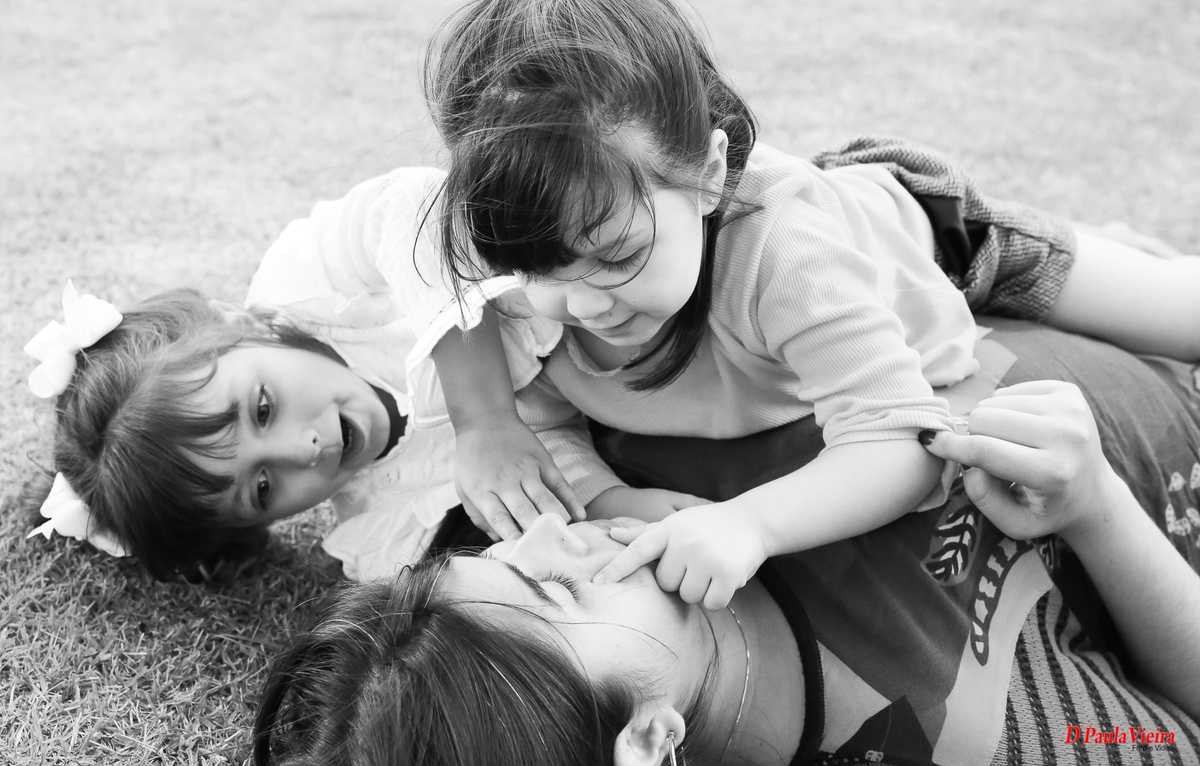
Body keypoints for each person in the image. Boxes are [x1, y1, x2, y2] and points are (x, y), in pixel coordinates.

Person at [419, 0, 1200, 608]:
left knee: (1179, 314)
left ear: (708, 176)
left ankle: (1115, 250)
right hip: (808, 244)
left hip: (935, 238)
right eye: (542, 271)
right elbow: (542, 419)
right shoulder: (518, 270)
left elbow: (900, 444)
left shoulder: (787, 259)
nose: (583, 304)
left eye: (618, 257)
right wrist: (609, 499)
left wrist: (751, 524)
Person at [251, 319, 1200, 766]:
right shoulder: (960, 745)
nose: (549, 530)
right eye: (558, 592)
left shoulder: (609, 451)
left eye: (496, 557)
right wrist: (1098, 507)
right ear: (648, 739)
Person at [22, 272, 596, 580]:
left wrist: (484, 418)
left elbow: (423, 211)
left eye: (262, 409)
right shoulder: (384, 532)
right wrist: (608, 501)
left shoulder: (325, 285)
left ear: (237, 326)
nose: (305, 449)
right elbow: (546, 497)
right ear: (262, 524)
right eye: (262, 487)